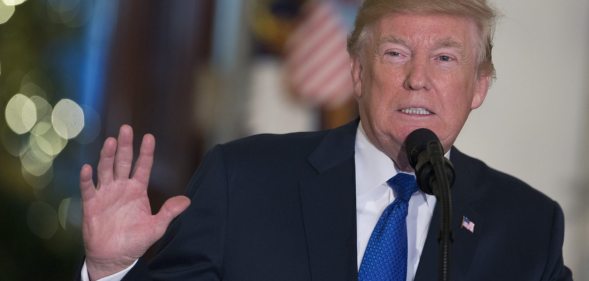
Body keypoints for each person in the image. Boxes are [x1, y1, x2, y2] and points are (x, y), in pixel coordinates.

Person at [78, 0, 573, 280]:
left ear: (479, 86)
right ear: (357, 71)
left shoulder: (528, 225)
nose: (418, 79)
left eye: (445, 59)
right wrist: (109, 272)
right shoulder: (245, 181)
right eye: (396, 53)